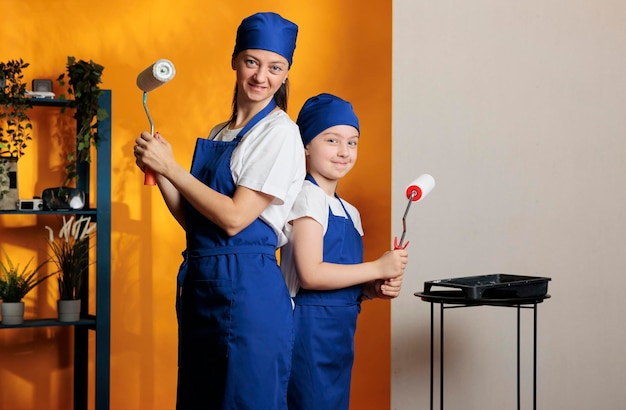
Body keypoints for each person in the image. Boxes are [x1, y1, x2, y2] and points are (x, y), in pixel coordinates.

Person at [133, 12, 305, 410]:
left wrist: (172, 168)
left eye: (274, 67)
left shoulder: (280, 133)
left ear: (285, 74)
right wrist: (159, 174)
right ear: (235, 60)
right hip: (203, 289)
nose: (262, 76)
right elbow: (193, 219)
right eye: (252, 62)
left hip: (248, 296)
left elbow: (233, 218)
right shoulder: (219, 132)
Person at [280, 93, 408, 410]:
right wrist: (378, 268)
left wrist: (373, 288)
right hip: (306, 335)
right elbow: (311, 274)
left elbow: (345, 277)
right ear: (305, 145)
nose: (343, 151)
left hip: (338, 337)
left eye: (352, 142)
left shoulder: (349, 211)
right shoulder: (306, 197)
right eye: (332, 139)